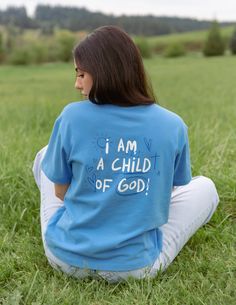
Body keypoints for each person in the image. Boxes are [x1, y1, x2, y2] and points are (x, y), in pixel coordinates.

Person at [33, 25, 219, 283]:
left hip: (66, 259)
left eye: (82, 74)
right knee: (206, 187)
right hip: (135, 268)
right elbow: (167, 196)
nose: (76, 84)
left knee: (45, 156)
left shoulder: (71, 117)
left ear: (103, 71)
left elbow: (61, 193)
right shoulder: (172, 124)